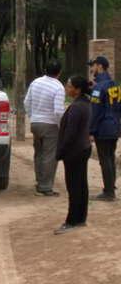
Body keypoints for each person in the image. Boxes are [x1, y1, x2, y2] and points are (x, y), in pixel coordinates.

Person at [54, 76, 92, 235]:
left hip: (74, 151)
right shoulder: (86, 104)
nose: (66, 88)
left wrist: (61, 151)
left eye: (69, 86)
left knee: (74, 186)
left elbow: (70, 134)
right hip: (83, 148)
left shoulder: (76, 107)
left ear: (77, 90)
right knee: (81, 184)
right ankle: (81, 217)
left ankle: (71, 220)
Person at [24, 59, 66, 196]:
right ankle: (46, 187)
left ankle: (39, 181)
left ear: (45, 70)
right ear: (59, 72)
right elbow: (59, 111)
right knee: (50, 156)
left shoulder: (35, 83)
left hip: (35, 124)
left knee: (39, 153)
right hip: (50, 125)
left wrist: (32, 116)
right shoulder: (58, 87)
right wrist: (61, 125)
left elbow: (26, 102)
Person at [88, 56, 121, 201]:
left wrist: (90, 131)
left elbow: (95, 111)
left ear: (99, 66)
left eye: (93, 66)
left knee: (105, 159)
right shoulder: (114, 84)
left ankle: (108, 192)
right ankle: (111, 186)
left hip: (103, 128)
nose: (91, 69)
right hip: (114, 126)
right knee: (110, 157)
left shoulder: (98, 87)